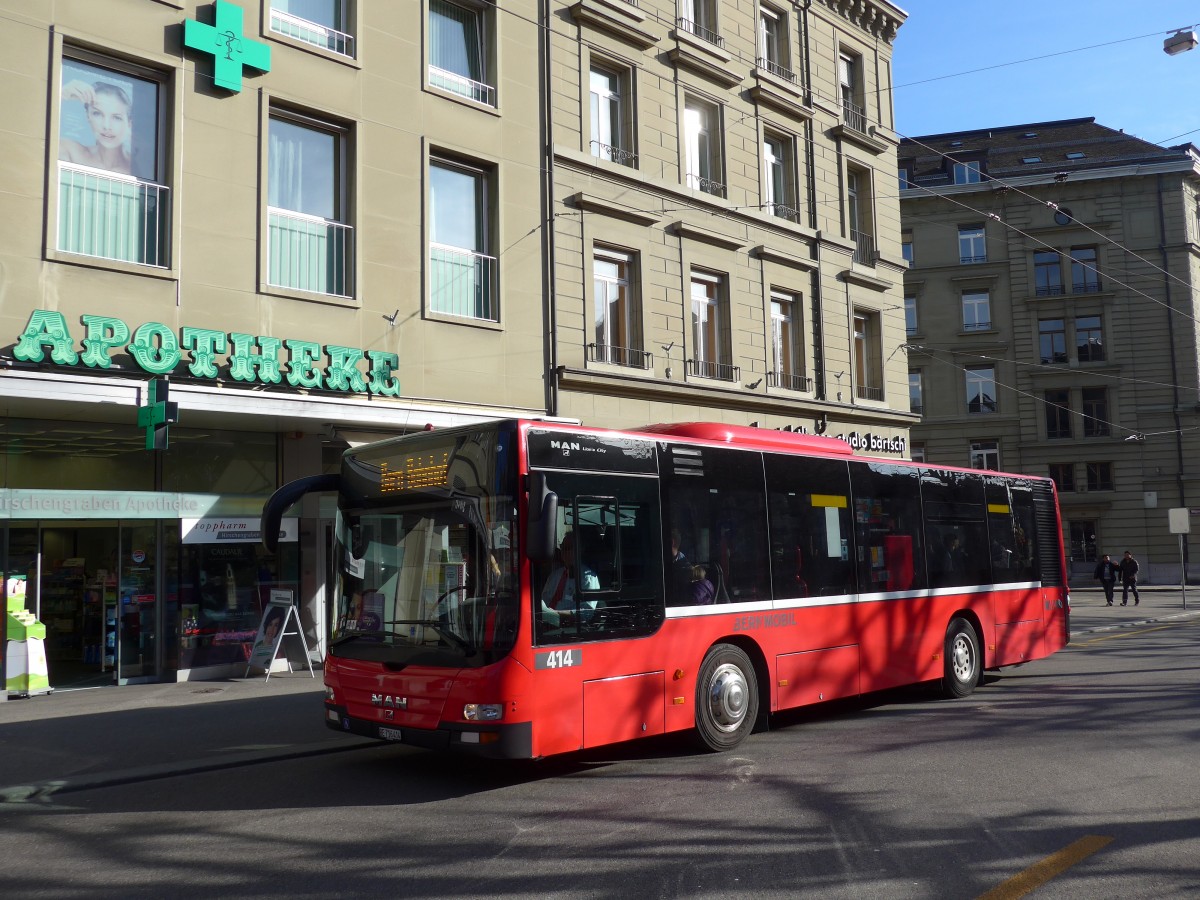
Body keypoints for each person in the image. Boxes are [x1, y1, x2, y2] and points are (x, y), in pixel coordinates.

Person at [59, 79, 135, 175]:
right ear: (88, 116)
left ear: (129, 124)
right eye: (97, 114)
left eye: (116, 117)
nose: (106, 126)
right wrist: (61, 94)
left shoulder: (140, 168)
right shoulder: (71, 152)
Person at [539, 531, 599, 627]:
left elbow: (586, 613)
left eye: (568, 548)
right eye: (562, 547)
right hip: (545, 622)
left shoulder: (588, 577)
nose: (563, 551)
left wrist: (557, 614)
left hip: (568, 627)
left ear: (579, 550)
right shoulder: (555, 575)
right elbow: (543, 600)